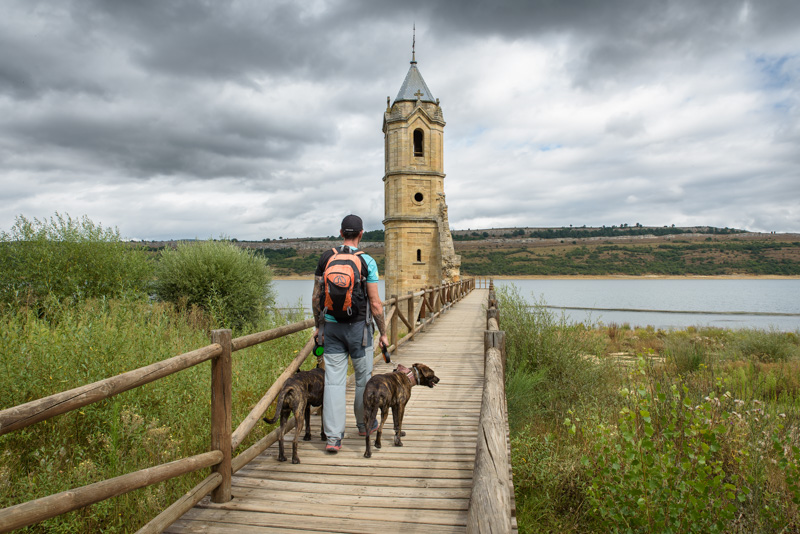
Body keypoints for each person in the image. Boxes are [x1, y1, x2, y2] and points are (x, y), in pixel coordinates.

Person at [312, 214, 389, 452]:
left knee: (334, 382)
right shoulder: (367, 261)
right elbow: (375, 303)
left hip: (332, 329)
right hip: (360, 330)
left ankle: (333, 438)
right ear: (361, 233)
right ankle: (365, 426)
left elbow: (316, 297)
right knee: (363, 382)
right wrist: (383, 333)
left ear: (341, 232)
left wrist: (318, 326)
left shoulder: (326, 258)